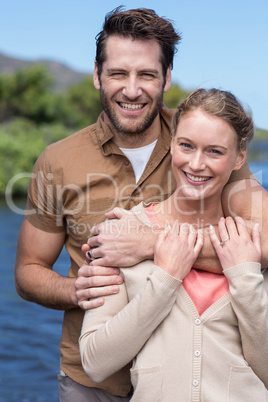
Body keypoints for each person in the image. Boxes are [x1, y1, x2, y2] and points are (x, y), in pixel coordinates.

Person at [14, 6, 267, 401]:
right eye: (118, 73)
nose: (132, 89)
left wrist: (150, 243)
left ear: (166, 78)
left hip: (195, 379)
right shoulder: (58, 161)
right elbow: (28, 270)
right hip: (93, 380)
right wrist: (76, 290)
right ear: (98, 74)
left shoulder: (201, 142)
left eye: (147, 74)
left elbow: (263, 244)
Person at [80, 88, 268, 401]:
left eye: (215, 152)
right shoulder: (123, 232)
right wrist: (165, 280)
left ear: (240, 158)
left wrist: (245, 279)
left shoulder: (251, 240)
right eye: (186, 146)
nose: (196, 164)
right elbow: (95, 362)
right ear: (171, 145)